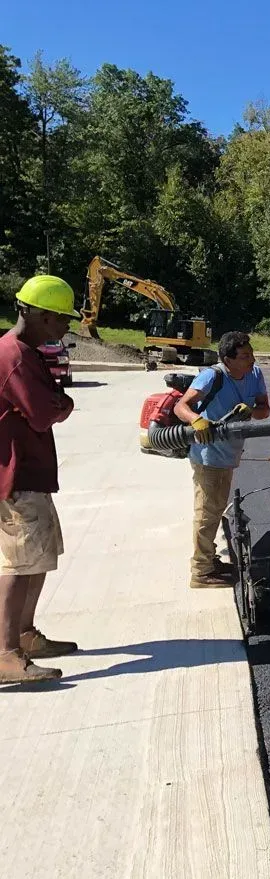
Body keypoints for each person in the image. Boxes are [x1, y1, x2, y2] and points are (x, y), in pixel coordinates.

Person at [0, 275, 80, 684]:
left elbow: (47, 404)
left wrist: (58, 401)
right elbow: (44, 412)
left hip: (32, 471)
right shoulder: (14, 355)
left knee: (37, 558)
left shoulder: (27, 352)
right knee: (18, 563)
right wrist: (63, 402)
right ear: (39, 315)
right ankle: (6, 654)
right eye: (61, 319)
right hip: (16, 476)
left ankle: (26, 636)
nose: (66, 327)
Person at [174, 331, 269, 588]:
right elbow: (180, 406)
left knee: (214, 510)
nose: (251, 359)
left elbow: (265, 411)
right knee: (206, 512)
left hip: (230, 452)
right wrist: (196, 419)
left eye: (251, 353)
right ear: (228, 360)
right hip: (208, 454)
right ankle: (202, 572)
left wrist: (252, 411)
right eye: (245, 356)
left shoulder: (255, 375)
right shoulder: (213, 376)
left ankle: (209, 560)